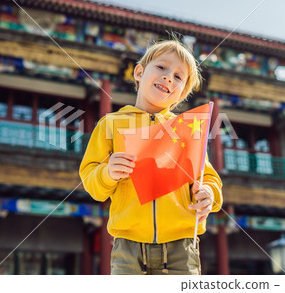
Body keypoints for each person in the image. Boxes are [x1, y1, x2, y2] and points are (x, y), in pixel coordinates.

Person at [79, 39, 223, 275]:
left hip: (182, 245)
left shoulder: (186, 130)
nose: (169, 77)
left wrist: (210, 194)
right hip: (128, 246)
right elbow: (92, 182)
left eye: (179, 77)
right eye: (162, 67)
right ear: (139, 72)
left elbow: (208, 177)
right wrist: (107, 172)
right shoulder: (111, 124)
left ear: (181, 95)